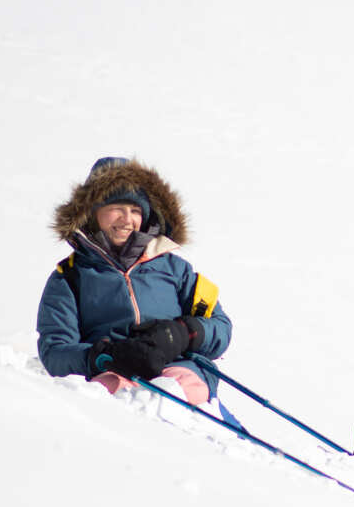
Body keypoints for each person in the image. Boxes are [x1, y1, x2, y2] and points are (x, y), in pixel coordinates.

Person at [36, 157, 233, 409]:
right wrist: (104, 356)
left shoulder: (175, 269)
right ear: (92, 211)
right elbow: (55, 352)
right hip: (114, 371)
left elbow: (221, 327)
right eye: (117, 208)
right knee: (111, 396)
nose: (127, 219)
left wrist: (184, 333)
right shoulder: (70, 278)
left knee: (178, 391)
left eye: (136, 210)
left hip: (178, 367)